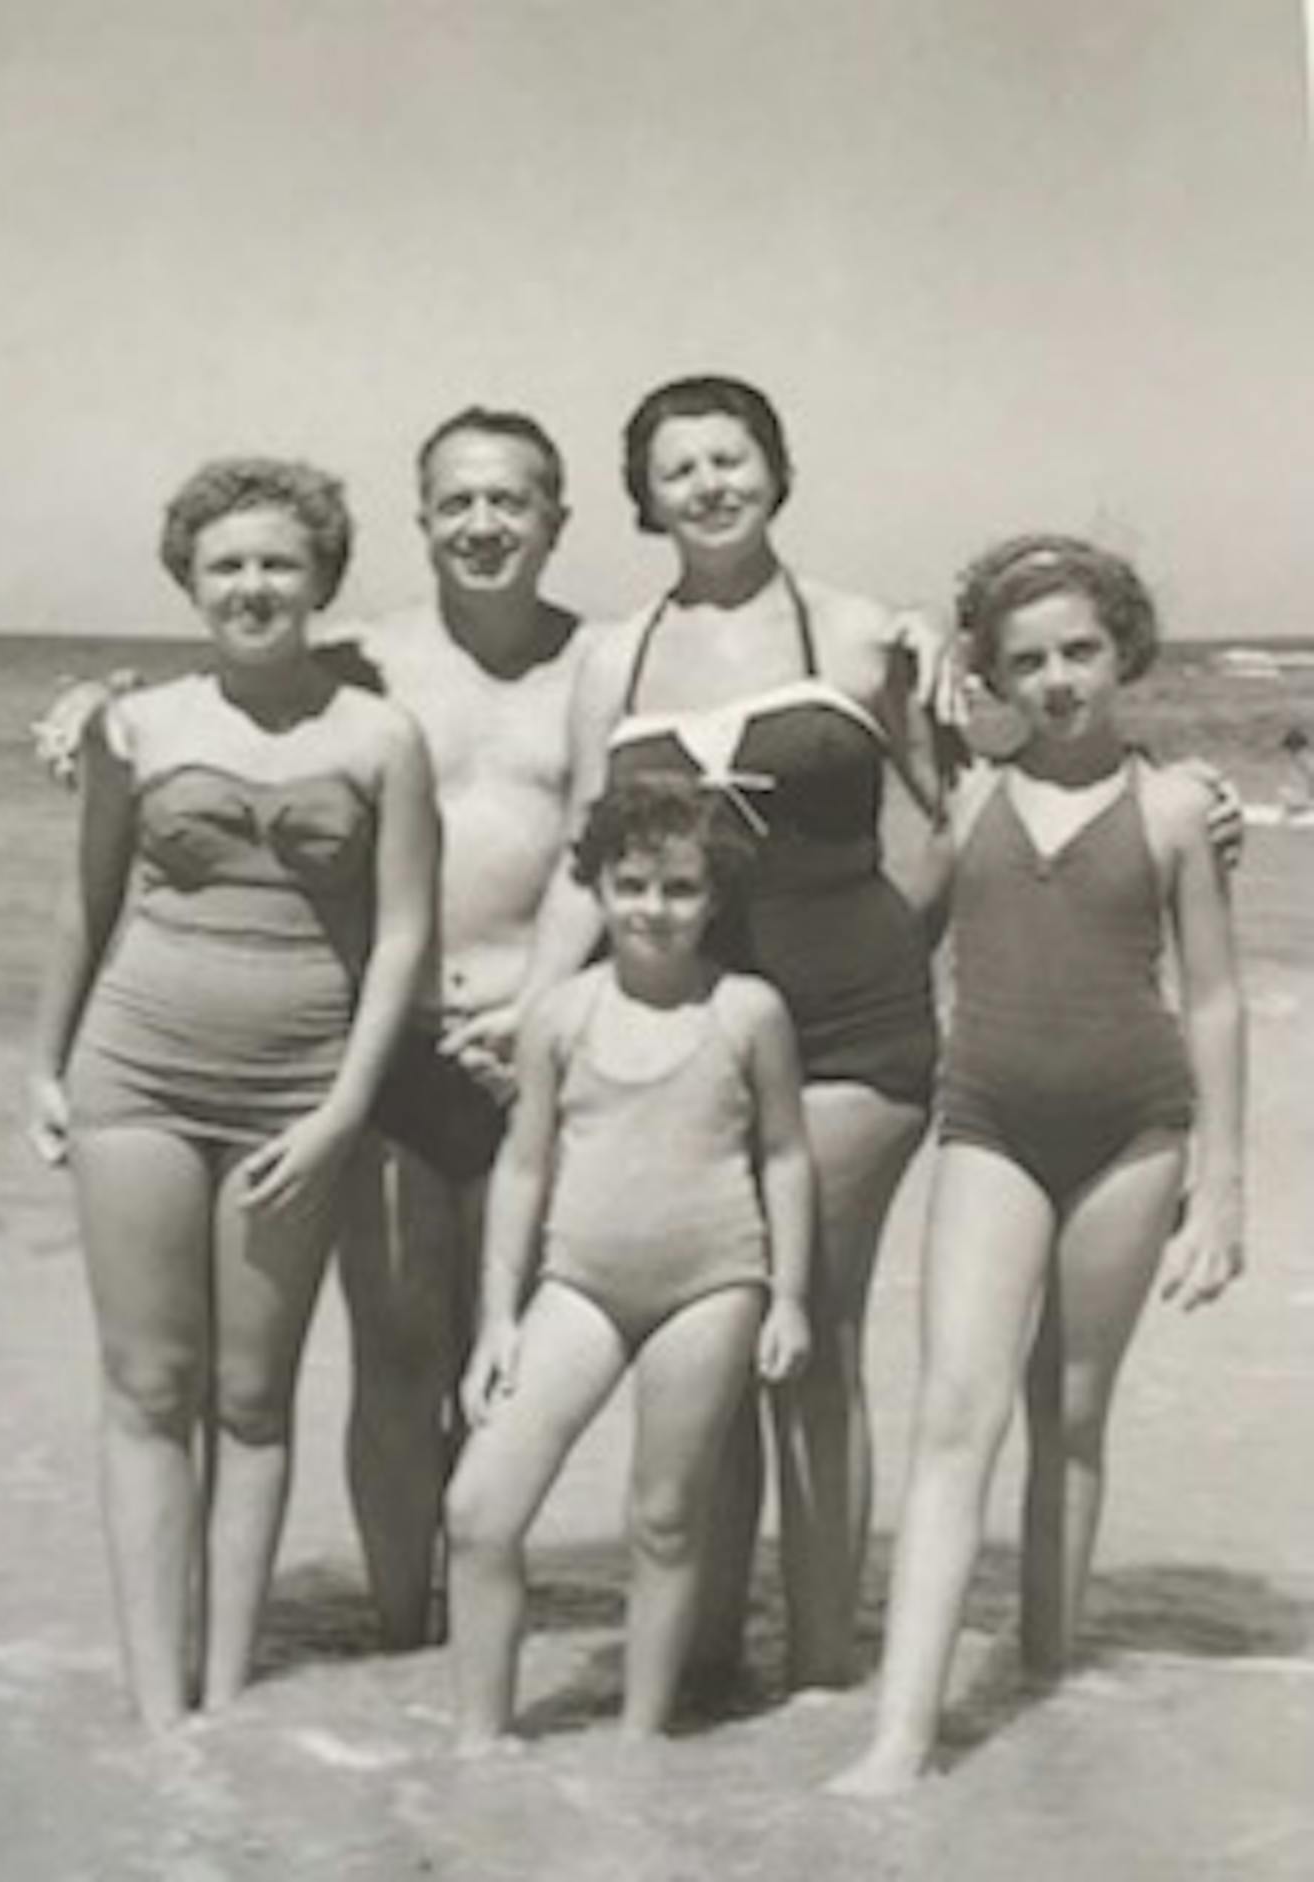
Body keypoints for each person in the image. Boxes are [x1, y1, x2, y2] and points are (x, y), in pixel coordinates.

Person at [31, 409, 592, 1650]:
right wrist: (93, 694)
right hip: (382, 1049)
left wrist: (917, 642)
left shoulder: (606, 663)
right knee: (395, 1356)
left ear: (558, 515)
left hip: (539, 1040)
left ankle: (486, 1643)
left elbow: (702, 744)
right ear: (421, 518)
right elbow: (223, 681)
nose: (482, 522)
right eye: (455, 500)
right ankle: (406, 1644)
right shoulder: (362, 657)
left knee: (510, 1360)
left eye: (510, 499)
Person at [472, 374, 961, 1699]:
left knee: (813, 1343)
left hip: (857, 1039)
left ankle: (815, 1671)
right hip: (689, 1044)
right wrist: (531, 1003)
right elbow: (591, 850)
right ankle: (700, 1661)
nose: (708, 485)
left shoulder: (863, 633)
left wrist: (890, 953)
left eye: (730, 457)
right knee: (714, 1332)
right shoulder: (613, 657)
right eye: (677, 468)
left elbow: (959, 813)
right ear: (643, 496)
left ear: (775, 466)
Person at [27, 457, 439, 1728]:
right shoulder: (134, 726)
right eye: (227, 566)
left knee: (252, 1399)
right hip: (136, 1074)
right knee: (149, 1386)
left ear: (321, 579)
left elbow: (405, 942)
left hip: (300, 1096)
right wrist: (44, 1065)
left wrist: (339, 1111)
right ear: (188, 582)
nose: (253, 586)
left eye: (278, 563)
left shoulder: (380, 735)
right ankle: (161, 1714)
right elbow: (86, 901)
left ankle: (225, 1690)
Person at [830, 536, 1245, 1796]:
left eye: (1078, 650)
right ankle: (901, 1735)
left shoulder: (1177, 806)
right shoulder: (962, 795)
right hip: (988, 1122)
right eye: (1026, 660)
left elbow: (1217, 1004)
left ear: (1122, 649)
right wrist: (913, 662)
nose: (1056, 678)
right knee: (954, 1414)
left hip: (1133, 1128)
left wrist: (1219, 1191)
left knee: (1068, 1415)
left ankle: (1047, 1674)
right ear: (991, 673)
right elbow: (885, 863)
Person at [445, 776, 813, 1749]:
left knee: (662, 1518)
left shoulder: (747, 1012)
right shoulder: (560, 1014)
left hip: (713, 1283)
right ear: (599, 885)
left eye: (681, 888)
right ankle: (478, 1739)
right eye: (633, 883)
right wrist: (497, 1317)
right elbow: (522, 1166)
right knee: (478, 1509)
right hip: (578, 1284)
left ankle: (637, 1746)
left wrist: (790, 1297)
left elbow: (784, 1155)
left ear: (716, 898)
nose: (653, 908)